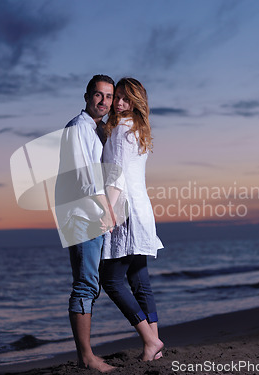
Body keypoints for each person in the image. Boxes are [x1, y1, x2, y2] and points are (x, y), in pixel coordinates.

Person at [100, 77, 164, 361]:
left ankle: (150, 341)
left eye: (126, 99)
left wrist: (108, 213)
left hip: (125, 211)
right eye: (118, 98)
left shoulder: (120, 131)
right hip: (142, 210)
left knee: (111, 280)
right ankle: (155, 346)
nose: (119, 103)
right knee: (139, 280)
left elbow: (116, 176)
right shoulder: (139, 130)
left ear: (135, 102)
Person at [55, 75, 115, 372]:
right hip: (82, 215)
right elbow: (86, 178)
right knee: (84, 285)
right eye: (98, 95)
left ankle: (87, 355)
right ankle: (86, 358)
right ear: (86, 96)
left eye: (108, 97)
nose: (103, 102)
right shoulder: (79, 128)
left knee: (90, 284)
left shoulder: (92, 129)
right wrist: (108, 211)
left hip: (87, 213)